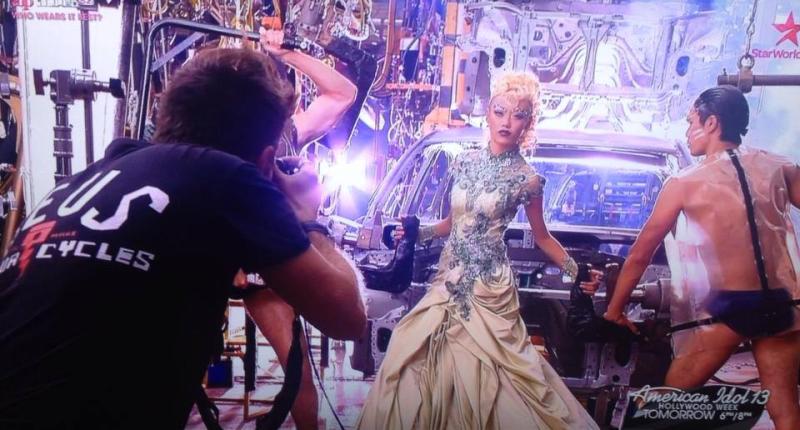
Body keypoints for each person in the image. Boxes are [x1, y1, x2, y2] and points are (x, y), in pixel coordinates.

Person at [0, 47, 366, 429]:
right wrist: (308, 218)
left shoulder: (83, 180)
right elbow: (348, 319)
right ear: (266, 160)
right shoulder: (228, 176)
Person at [356, 71, 600, 430]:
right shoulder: (465, 162)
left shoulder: (528, 179)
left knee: (491, 376)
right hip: (448, 280)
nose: (507, 122)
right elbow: (450, 224)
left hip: (489, 288)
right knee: (411, 353)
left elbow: (543, 237)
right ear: (488, 113)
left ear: (528, 124)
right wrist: (415, 233)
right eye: (500, 112)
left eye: (518, 115)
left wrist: (577, 272)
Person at [603, 86, 800, 430]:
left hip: (733, 306)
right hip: (783, 303)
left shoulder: (684, 182)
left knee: (663, 407)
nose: (687, 130)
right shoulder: (780, 166)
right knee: (785, 410)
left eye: (690, 121)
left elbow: (640, 254)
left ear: (711, 123)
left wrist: (615, 309)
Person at [231, 28, 357, 430]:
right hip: (248, 266)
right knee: (294, 367)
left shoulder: (288, 131)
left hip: (288, 254)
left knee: (299, 370)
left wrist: (288, 54)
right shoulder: (225, 136)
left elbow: (343, 94)